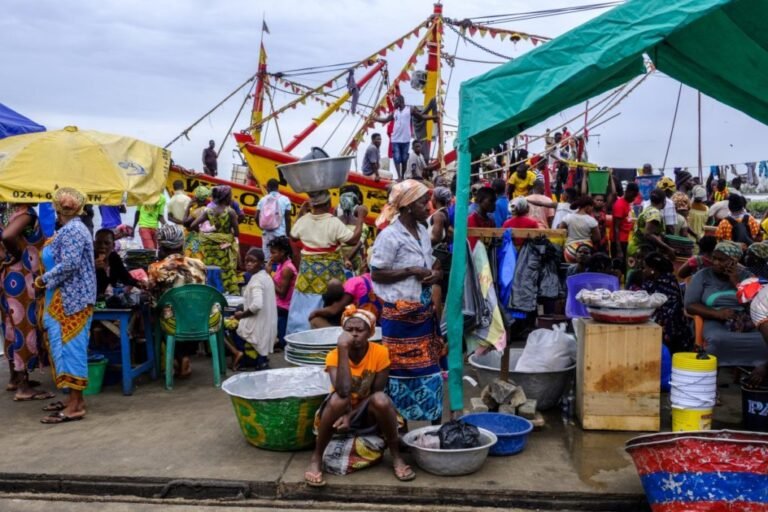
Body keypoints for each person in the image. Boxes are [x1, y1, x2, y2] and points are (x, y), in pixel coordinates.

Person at [304, 306, 413, 487]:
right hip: (338, 413)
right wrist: (343, 350)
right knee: (339, 399)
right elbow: (343, 390)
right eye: (349, 330)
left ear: (370, 333)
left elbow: (376, 392)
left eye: (359, 330)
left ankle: (396, 457)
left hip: (365, 412)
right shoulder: (334, 355)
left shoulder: (380, 353)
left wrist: (351, 416)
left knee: (381, 399)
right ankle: (316, 458)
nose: (354, 334)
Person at [370, 179, 444, 424]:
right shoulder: (389, 236)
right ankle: (399, 428)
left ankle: (434, 427)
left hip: (423, 313)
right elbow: (377, 273)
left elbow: (430, 263)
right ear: (409, 206)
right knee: (398, 373)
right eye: (423, 202)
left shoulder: (422, 231)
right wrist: (411, 271)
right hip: (399, 317)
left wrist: (435, 274)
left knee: (431, 370)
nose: (429, 207)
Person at [36, 188, 96, 424]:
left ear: (57, 209)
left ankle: (76, 405)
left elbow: (70, 264)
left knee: (72, 349)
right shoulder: (71, 229)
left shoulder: (73, 230)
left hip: (72, 300)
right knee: (64, 348)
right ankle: (72, 399)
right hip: (64, 298)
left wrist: (43, 280)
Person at [288, 190, 366, 334]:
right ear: (329, 204)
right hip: (330, 278)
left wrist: (301, 213)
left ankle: (299, 338)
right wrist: (361, 217)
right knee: (329, 309)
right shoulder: (333, 222)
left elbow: (293, 236)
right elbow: (354, 239)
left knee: (303, 306)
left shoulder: (304, 220)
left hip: (306, 277)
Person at [684, 241, 768, 366]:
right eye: (714, 258)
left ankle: (760, 368)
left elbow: (758, 305)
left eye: (721, 260)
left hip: (745, 321)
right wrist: (717, 313)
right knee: (717, 339)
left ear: (734, 261)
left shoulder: (748, 277)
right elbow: (690, 305)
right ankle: (714, 369)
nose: (715, 262)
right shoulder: (703, 276)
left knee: (763, 340)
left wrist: (736, 282)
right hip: (714, 319)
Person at [1, 203, 51, 401]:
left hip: (8, 277)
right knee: (24, 327)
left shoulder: (6, 212)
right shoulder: (26, 213)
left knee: (11, 326)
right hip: (22, 277)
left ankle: (15, 378)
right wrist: (17, 253)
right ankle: (23, 387)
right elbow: (7, 236)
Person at [230, 248, 277, 371]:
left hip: (258, 325)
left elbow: (257, 305)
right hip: (268, 323)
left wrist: (241, 315)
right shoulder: (266, 276)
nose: (249, 264)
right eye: (247, 261)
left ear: (261, 263)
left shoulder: (256, 281)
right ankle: (258, 359)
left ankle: (245, 359)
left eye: (253, 261)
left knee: (231, 326)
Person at [373, 95, 437, 181]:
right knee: (396, 157)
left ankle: (402, 176)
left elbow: (421, 117)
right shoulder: (395, 112)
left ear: (400, 101)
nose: (394, 103)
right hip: (395, 139)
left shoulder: (410, 110)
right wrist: (375, 118)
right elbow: (385, 120)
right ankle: (399, 176)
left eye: (395, 101)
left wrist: (434, 117)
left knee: (404, 159)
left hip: (405, 139)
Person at [190, 185, 240, 295]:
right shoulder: (230, 212)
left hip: (210, 250)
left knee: (210, 271)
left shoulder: (208, 211)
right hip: (224, 249)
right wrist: (226, 235)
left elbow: (193, 225)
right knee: (226, 273)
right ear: (226, 197)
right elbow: (237, 233)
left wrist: (209, 234)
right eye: (230, 196)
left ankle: (208, 294)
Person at [639, 253, 693, 353]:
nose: (643, 271)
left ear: (653, 269)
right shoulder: (666, 280)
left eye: (645, 267)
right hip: (674, 331)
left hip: (669, 331)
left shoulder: (660, 284)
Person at [626, 189, 676, 279]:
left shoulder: (648, 209)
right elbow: (648, 234)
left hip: (635, 247)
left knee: (633, 278)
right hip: (640, 250)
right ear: (664, 201)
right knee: (639, 279)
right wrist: (668, 248)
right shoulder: (655, 214)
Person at [309, 272, 381, 328]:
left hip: (357, 327)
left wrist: (315, 313)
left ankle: (335, 341)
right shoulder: (380, 282)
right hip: (376, 326)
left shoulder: (355, 282)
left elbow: (333, 310)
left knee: (315, 320)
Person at [267, 236, 296, 350]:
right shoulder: (280, 265)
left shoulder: (287, 269)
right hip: (279, 303)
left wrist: (269, 276)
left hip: (284, 306)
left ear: (282, 252)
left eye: (274, 253)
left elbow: (282, 293)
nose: (271, 256)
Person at [94, 228, 139, 297]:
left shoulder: (114, 257)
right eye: (99, 243)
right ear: (94, 244)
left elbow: (126, 278)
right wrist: (92, 269)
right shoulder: (90, 260)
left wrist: (140, 283)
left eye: (107, 243)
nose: (102, 246)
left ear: (113, 245)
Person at [337, 188, 370, 275]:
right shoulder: (362, 225)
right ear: (355, 206)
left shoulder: (334, 222)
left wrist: (344, 259)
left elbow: (335, 244)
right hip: (355, 264)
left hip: (337, 261)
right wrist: (346, 259)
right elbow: (358, 245)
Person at [559, 196, 600, 263]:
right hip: (586, 251)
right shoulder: (591, 220)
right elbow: (597, 238)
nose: (592, 209)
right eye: (592, 207)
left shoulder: (568, 217)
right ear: (587, 207)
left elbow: (560, 230)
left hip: (570, 251)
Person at [256, 179, 292, 252]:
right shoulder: (285, 199)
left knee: (267, 256)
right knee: (280, 255)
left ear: (268, 188)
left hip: (267, 234)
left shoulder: (262, 200)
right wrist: (288, 235)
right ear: (278, 187)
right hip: (280, 234)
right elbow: (288, 218)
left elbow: (256, 217)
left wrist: (263, 228)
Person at [612, 182, 639, 260]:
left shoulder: (626, 203)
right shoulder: (620, 204)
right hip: (619, 241)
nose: (634, 199)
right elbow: (616, 228)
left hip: (625, 239)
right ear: (628, 192)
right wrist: (619, 250)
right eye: (633, 196)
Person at [183, 185, 211, 259]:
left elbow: (185, 223)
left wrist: (188, 207)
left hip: (194, 240)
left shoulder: (200, 210)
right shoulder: (202, 208)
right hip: (198, 239)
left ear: (196, 197)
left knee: (191, 259)